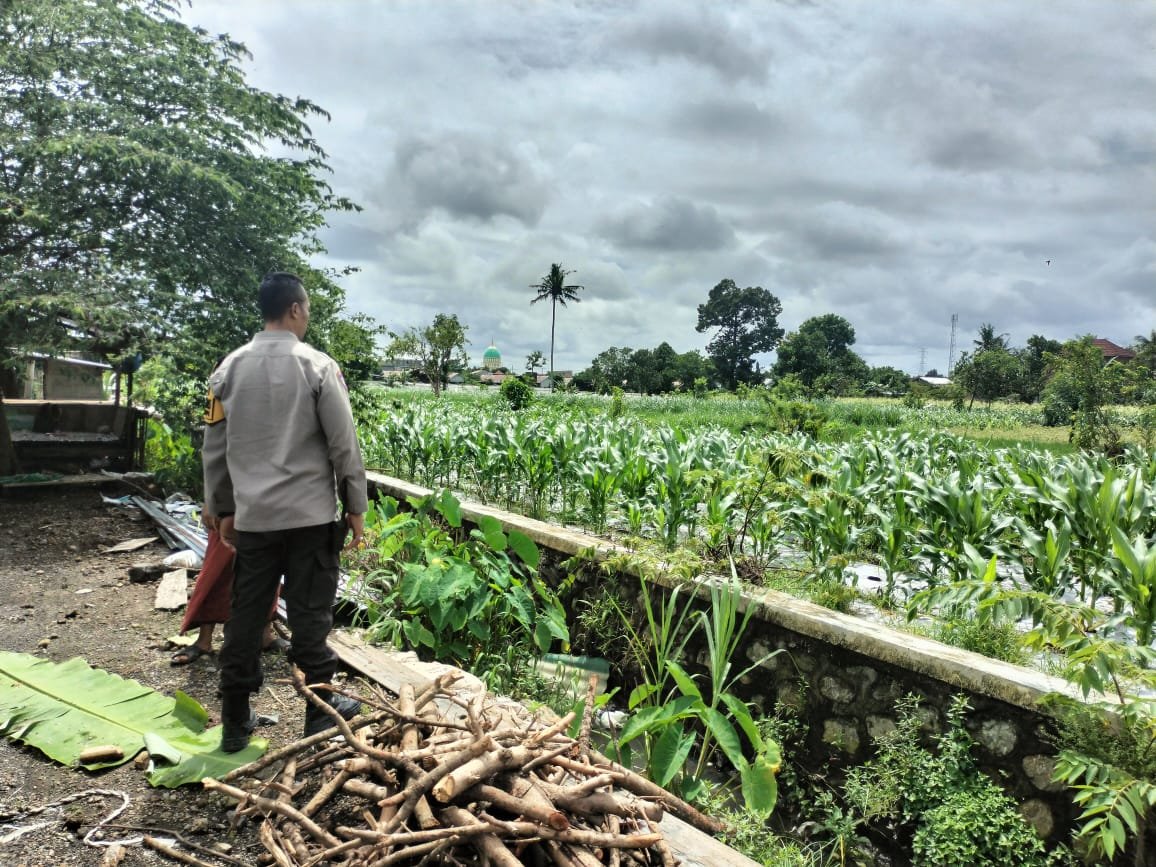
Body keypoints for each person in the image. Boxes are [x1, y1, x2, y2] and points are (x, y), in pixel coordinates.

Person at [202, 272, 368, 752]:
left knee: (247, 614)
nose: (307, 317)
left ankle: (235, 718)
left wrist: (222, 508)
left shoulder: (227, 370)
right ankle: (320, 710)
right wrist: (355, 505)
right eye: (308, 310)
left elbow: (214, 448)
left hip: (254, 521)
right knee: (311, 612)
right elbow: (344, 445)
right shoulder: (317, 367)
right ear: (295, 309)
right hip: (310, 519)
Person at [170, 528, 287, 666]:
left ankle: (265, 636)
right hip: (231, 511)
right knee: (218, 569)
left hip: (269, 514)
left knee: (268, 568)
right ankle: (204, 641)